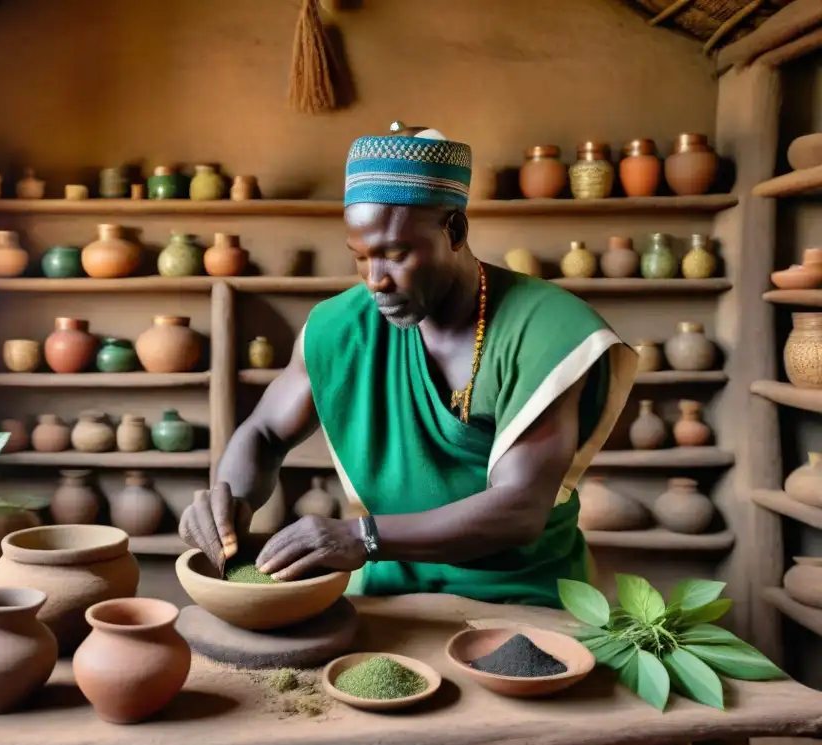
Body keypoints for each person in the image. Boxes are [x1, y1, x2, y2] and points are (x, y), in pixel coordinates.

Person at [179, 122, 638, 607]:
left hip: (524, 595)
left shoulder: (545, 329)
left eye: (396, 254)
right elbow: (266, 432)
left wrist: (365, 538)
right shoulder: (341, 327)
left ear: (455, 230)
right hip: (385, 587)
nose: (375, 281)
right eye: (361, 257)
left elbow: (520, 507)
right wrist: (230, 499)